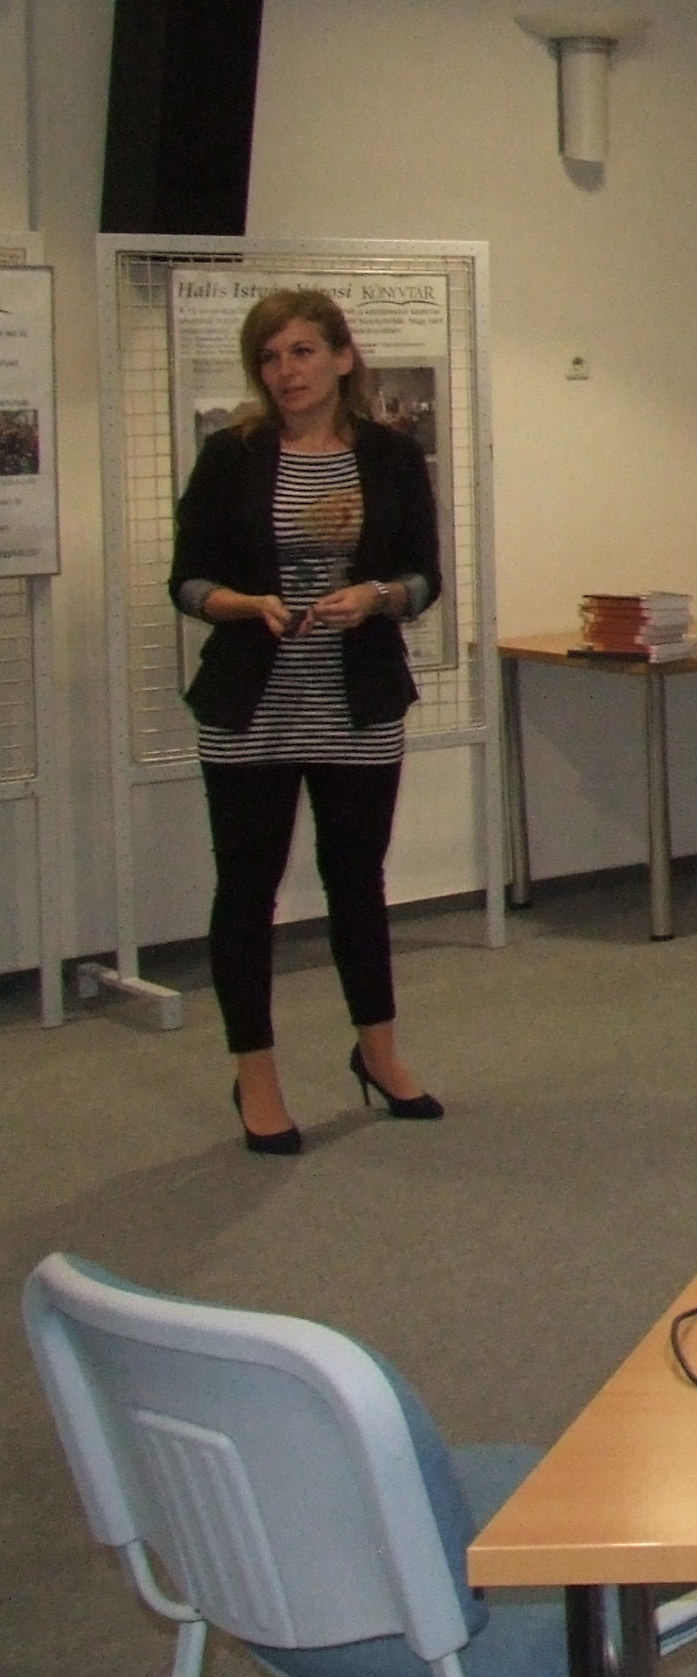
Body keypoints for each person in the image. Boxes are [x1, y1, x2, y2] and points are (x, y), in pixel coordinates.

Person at [168, 290, 447, 1152]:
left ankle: (380, 1054)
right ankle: (255, 1075)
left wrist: (379, 596)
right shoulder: (231, 456)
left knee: (357, 881)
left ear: (342, 357)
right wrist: (243, 604)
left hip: (356, 703)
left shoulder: (391, 457)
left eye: (301, 352)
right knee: (246, 890)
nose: (285, 371)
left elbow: (425, 577)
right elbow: (187, 581)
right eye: (269, 357)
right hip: (251, 707)